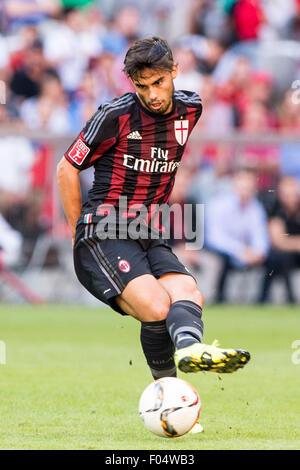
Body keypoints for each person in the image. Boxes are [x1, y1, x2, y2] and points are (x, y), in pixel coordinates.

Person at [57, 37, 250, 386]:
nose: (152, 94)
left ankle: (188, 356)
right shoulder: (114, 114)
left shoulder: (192, 109)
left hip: (148, 230)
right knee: (158, 307)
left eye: (159, 82)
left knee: (190, 294)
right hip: (105, 229)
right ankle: (169, 392)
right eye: (142, 86)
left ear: (175, 72)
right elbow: (66, 167)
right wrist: (77, 234)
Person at [205, 167, 269, 303]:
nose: (246, 185)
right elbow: (215, 237)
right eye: (243, 181)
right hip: (222, 250)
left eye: (249, 182)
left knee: (274, 259)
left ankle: (262, 301)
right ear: (234, 182)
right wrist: (239, 250)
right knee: (221, 259)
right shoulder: (219, 203)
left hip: (246, 252)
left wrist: (258, 252)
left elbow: (260, 236)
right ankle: (219, 299)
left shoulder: (256, 207)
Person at [259, 176, 300, 304]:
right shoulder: (275, 209)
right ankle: (290, 299)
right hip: (280, 256)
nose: (290, 197)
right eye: (286, 194)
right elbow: (278, 242)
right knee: (281, 258)